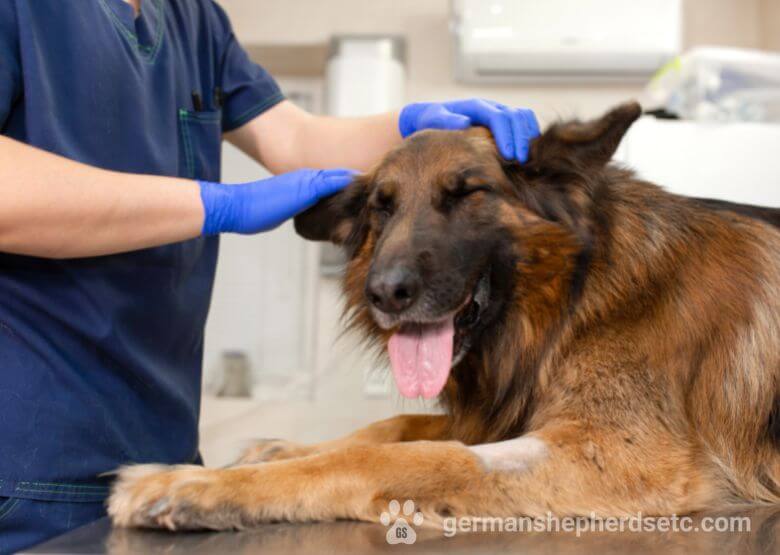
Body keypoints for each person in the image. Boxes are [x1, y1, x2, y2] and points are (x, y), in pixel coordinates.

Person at [0, 1, 539, 551]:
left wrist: (409, 126)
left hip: (159, 445)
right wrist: (219, 204)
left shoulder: (193, 19)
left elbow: (293, 140)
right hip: (28, 456)